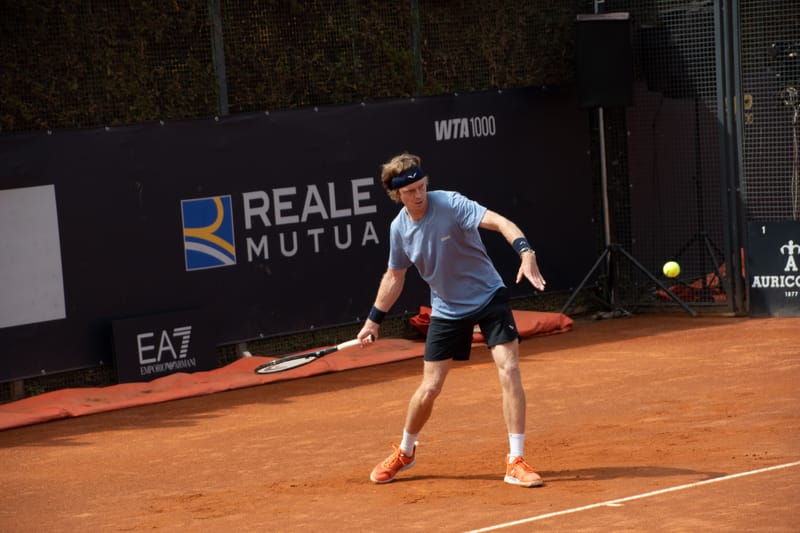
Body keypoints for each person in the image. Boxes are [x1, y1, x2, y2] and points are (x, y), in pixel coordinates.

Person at [357, 152, 546, 487]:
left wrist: (526, 252)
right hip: (446, 309)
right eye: (410, 191)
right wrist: (373, 321)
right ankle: (406, 451)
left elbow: (501, 222)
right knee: (430, 388)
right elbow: (394, 276)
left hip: (488, 296)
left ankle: (515, 460)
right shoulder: (399, 229)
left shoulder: (451, 203)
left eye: (421, 186)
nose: (418, 195)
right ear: (397, 195)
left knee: (510, 367)